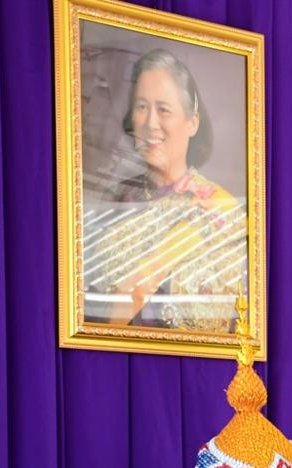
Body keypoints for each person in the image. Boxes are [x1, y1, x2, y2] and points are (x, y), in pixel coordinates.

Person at [90, 48, 242, 328]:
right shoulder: (117, 199)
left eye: (163, 109)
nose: (151, 123)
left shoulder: (220, 207)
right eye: (141, 107)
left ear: (192, 123)